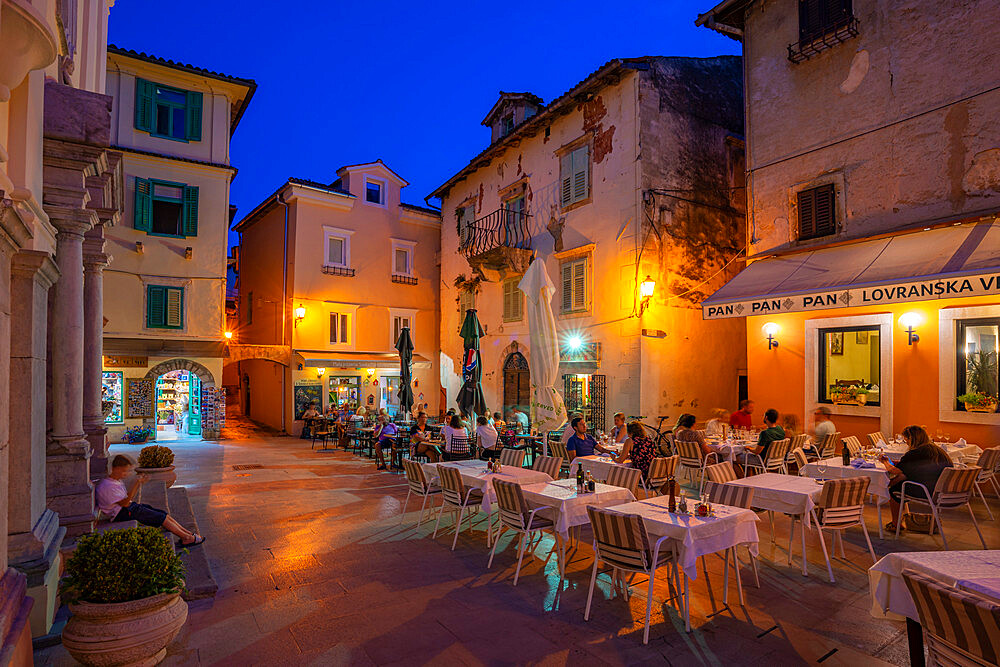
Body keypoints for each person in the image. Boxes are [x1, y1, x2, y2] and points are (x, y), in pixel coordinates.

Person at [96, 455, 204, 546]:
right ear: (116, 468)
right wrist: (136, 484)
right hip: (121, 514)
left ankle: (188, 534)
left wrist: (139, 483)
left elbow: (126, 499)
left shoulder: (115, 481)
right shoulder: (107, 486)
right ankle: (186, 538)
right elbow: (124, 503)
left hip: (128, 507)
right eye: (125, 471)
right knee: (160, 518)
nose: (127, 474)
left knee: (163, 514)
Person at [880, 425, 952, 532]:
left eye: (907, 440)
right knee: (900, 481)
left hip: (929, 491)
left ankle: (896, 524)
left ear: (912, 439)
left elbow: (894, 471)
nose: (906, 443)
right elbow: (910, 471)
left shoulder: (915, 453)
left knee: (894, 491)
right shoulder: (937, 450)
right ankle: (885, 487)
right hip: (944, 490)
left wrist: (884, 461)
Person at [737, 408, 784, 473]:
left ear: (766, 417)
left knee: (735, 458)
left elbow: (756, 451)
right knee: (747, 458)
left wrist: (748, 448)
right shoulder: (780, 429)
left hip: (762, 460)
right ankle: (750, 477)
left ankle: (742, 478)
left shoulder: (765, 433)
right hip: (777, 459)